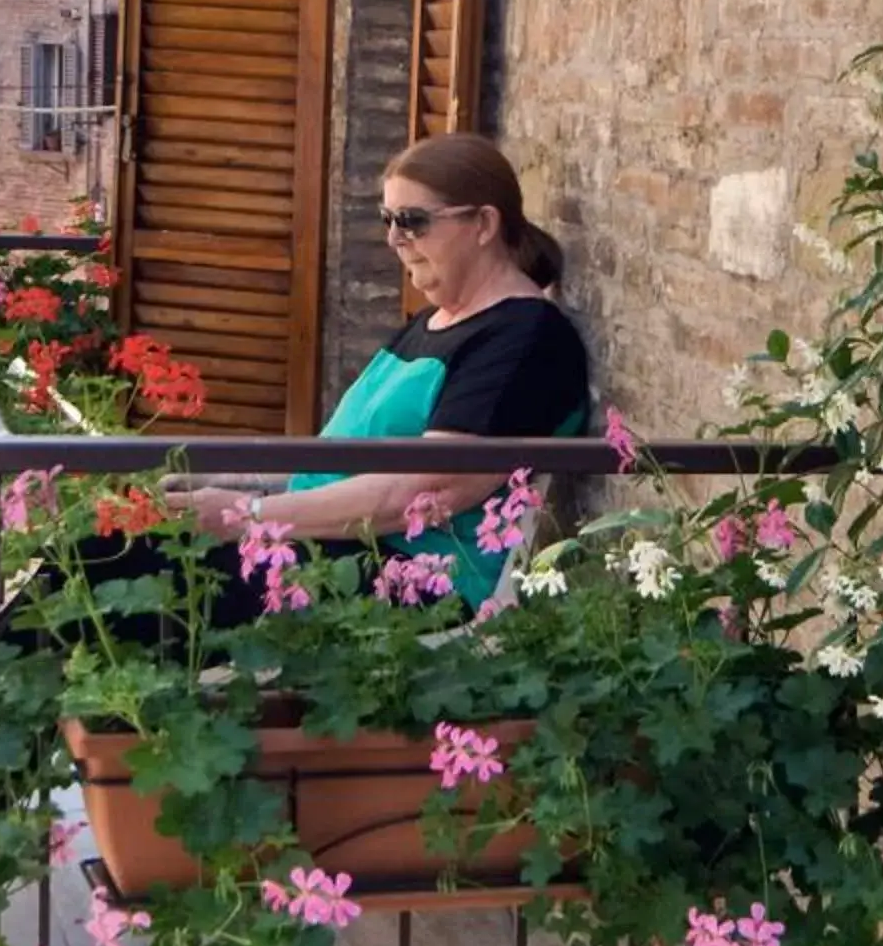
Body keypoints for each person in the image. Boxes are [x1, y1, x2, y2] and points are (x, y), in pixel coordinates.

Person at [158, 134, 589, 610]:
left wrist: (246, 516)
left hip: (408, 576)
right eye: (388, 219)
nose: (393, 238)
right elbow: (337, 460)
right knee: (111, 544)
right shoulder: (432, 323)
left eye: (413, 221)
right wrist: (230, 487)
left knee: (130, 573)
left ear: (484, 223)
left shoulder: (525, 339)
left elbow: (429, 490)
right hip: (324, 546)